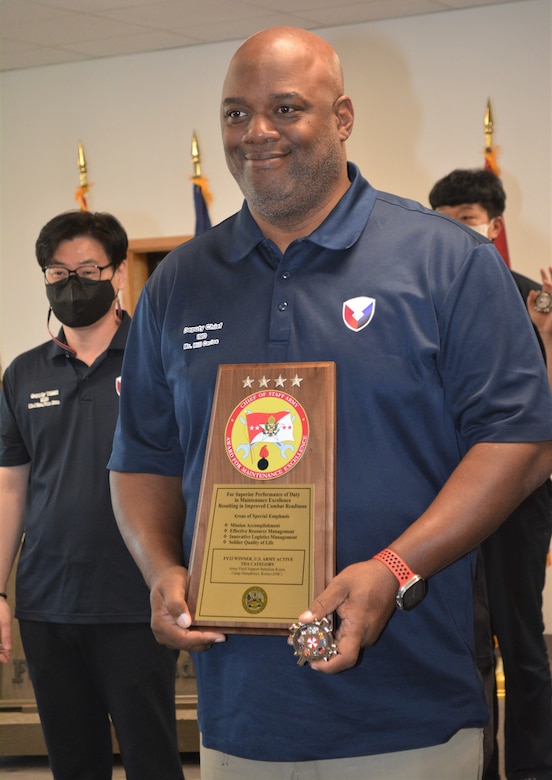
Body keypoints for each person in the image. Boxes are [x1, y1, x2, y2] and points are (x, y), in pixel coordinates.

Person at [108, 27, 552, 779]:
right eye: (235, 114)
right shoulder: (179, 283)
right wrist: (159, 567)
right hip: (238, 716)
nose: (257, 134)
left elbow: (521, 444)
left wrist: (394, 568)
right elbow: (141, 457)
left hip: (408, 709)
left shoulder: (447, 261)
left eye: (286, 108)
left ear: (342, 118)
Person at [0, 211, 185, 780]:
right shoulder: (23, 374)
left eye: (86, 270)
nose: (71, 284)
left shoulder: (161, 361)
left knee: (151, 757)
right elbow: (10, 487)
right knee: (73, 764)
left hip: (138, 598)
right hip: (48, 601)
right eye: (57, 273)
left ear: (119, 272)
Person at [429, 168, 552, 780]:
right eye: (446, 225)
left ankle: (532, 769)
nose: (460, 236)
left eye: (470, 224)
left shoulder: (534, 301)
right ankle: (477, 768)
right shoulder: (423, 298)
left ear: (495, 225)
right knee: (468, 647)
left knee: (524, 649)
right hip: (451, 500)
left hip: (522, 501)